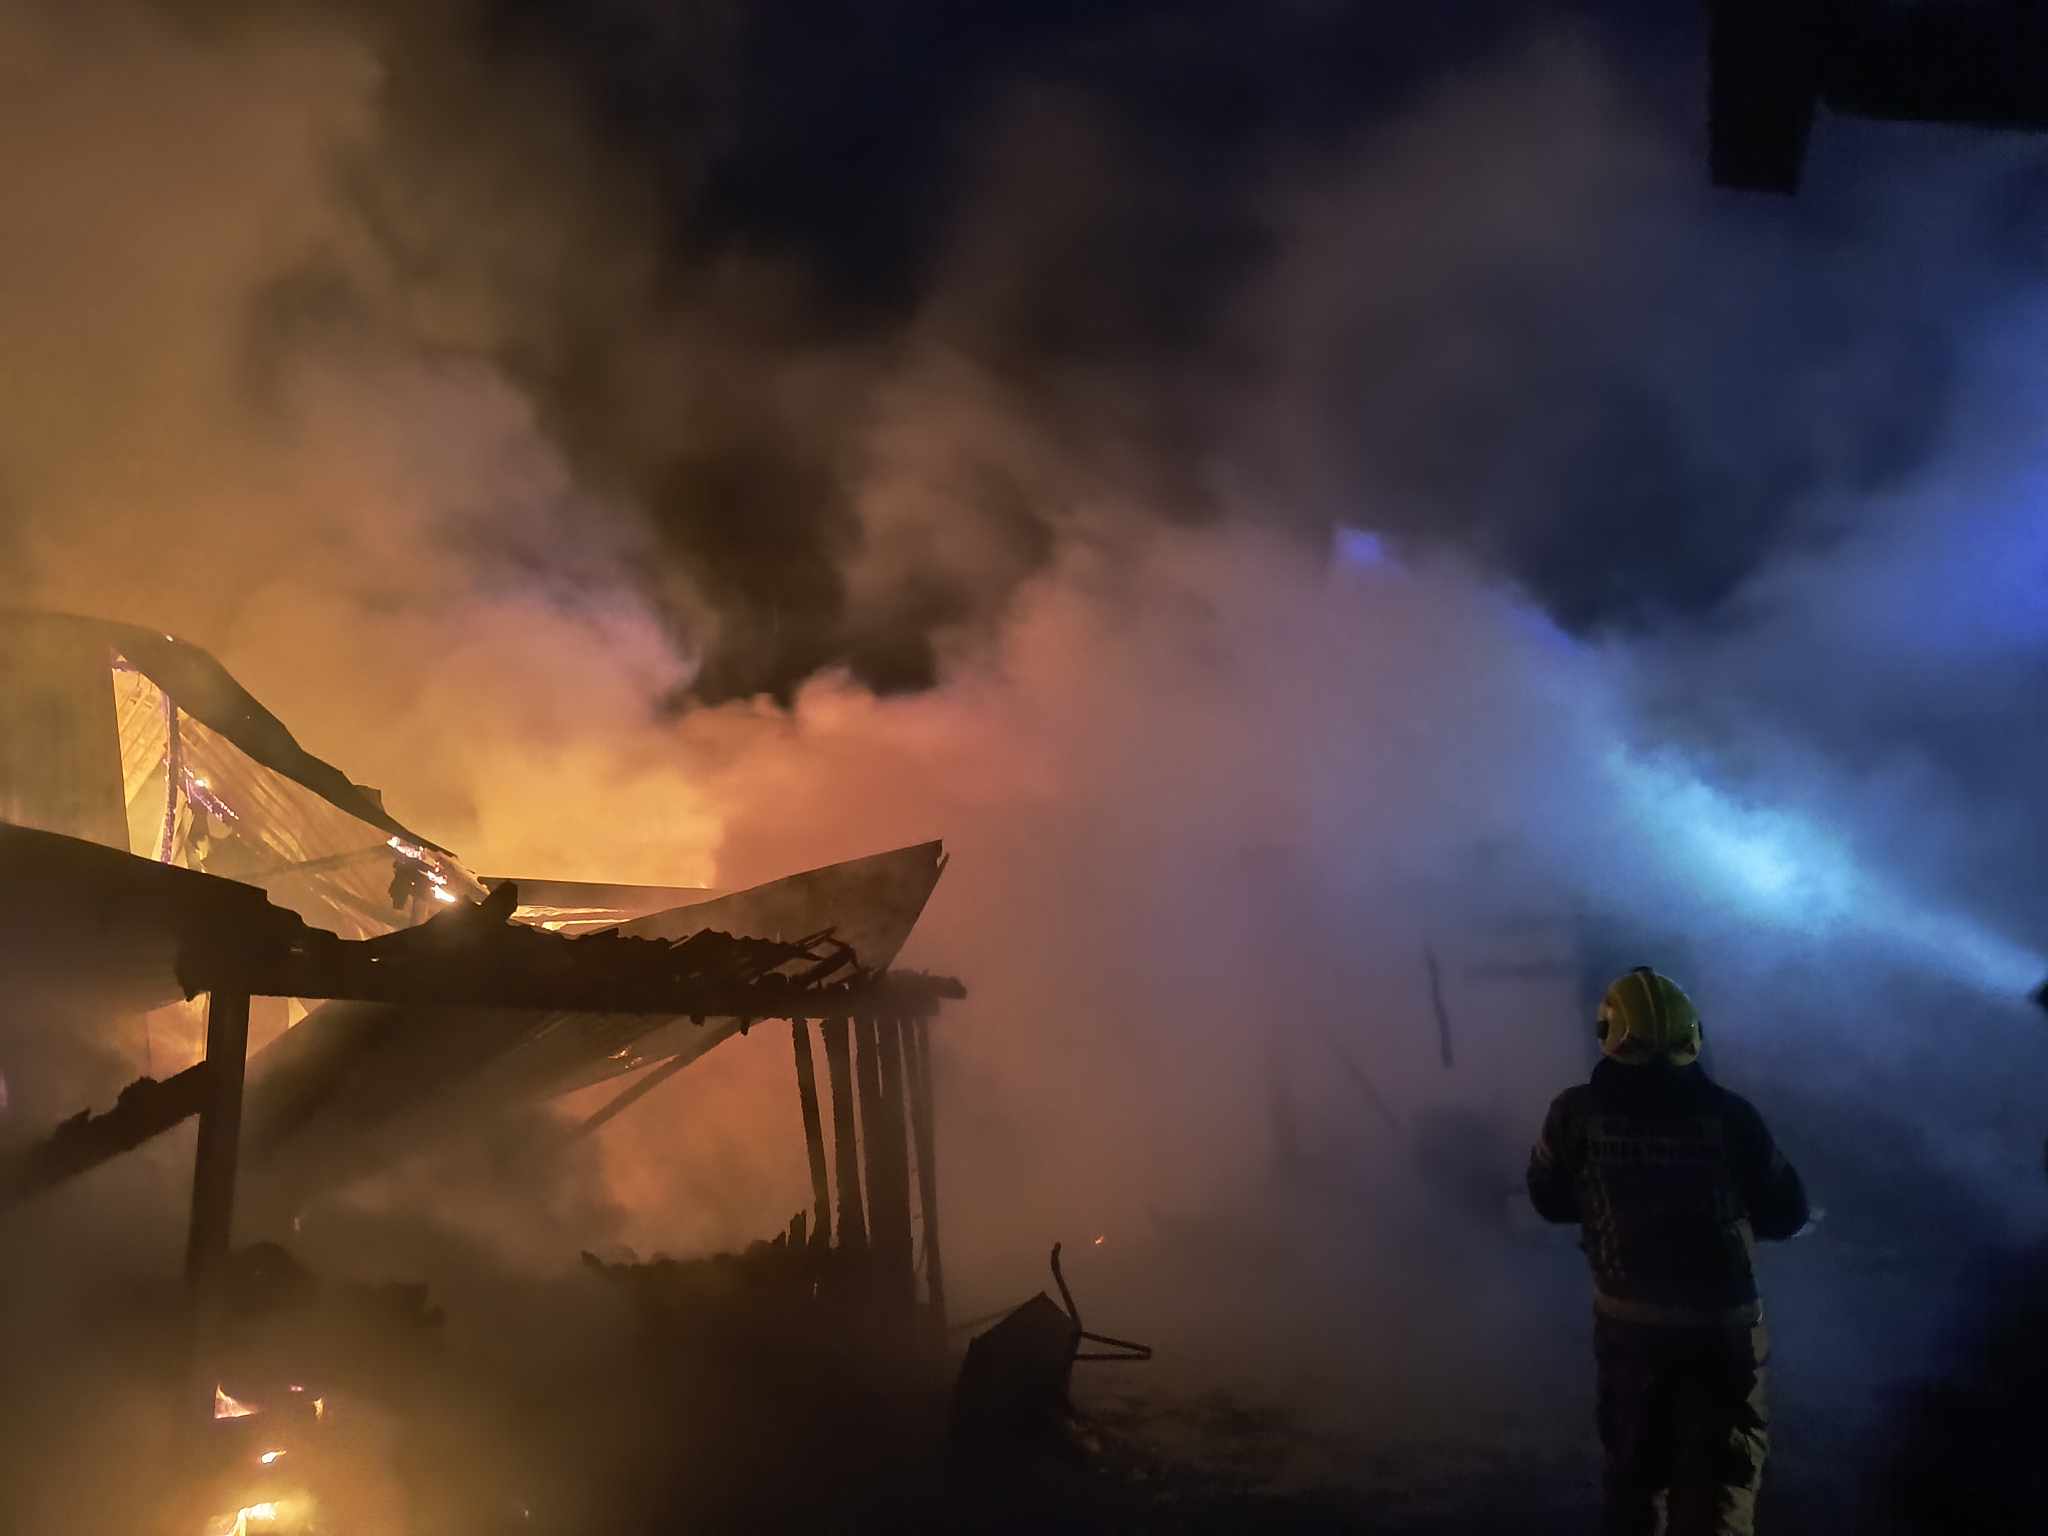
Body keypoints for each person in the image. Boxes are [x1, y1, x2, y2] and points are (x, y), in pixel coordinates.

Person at [1527, 966, 1810, 1536]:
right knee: (1723, 1489)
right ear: (1692, 1035)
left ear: (1609, 1033)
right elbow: (1788, 1213)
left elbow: (1549, 1201)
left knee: (1635, 1485)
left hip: (1629, 1330)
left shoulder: (1573, 1115)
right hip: (1724, 1330)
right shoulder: (1732, 1116)